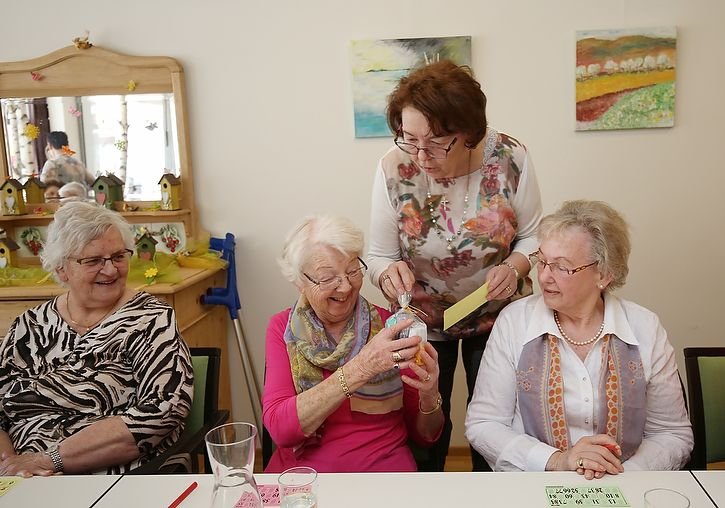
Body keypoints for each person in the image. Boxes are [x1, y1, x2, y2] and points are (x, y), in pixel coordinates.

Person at [367, 60, 543, 471]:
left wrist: (516, 267)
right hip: (422, 321)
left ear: (468, 133)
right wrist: (387, 274)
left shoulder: (511, 157)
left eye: (435, 143)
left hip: (499, 316)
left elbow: (535, 235)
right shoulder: (394, 166)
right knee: (425, 431)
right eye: (409, 139)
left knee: (497, 428)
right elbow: (379, 256)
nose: (420, 156)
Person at [465, 200, 693, 478]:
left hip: (623, 484)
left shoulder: (644, 327)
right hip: (536, 482)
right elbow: (484, 424)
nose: (544, 277)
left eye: (562, 267)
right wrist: (558, 461)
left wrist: (621, 473)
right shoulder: (514, 322)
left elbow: (672, 433)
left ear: (604, 274)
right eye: (542, 261)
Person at [0, 201, 194, 476]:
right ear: (61, 269)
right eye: (93, 261)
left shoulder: (150, 320)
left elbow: (164, 410)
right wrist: (10, 467)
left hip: (111, 478)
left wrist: (49, 460)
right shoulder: (29, 326)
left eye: (118, 256)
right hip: (24, 477)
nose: (111, 270)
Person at [263, 215, 444, 473]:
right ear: (299, 282)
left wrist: (430, 396)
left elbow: (427, 436)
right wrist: (361, 368)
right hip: (304, 477)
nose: (346, 287)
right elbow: (281, 430)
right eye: (328, 278)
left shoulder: (391, 327)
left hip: (384, 472)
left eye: (352, 270)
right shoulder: (283, 329)